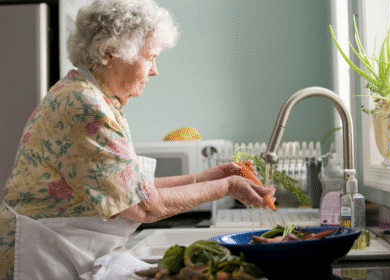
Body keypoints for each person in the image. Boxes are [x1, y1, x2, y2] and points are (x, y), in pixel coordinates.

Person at [0, 0, 275, 278]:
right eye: (150, 57)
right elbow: (141, 206)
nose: (155, 70)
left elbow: (131, 188)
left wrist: (208, 178)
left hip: (58, 248)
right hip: (38, 256)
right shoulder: (86, 106)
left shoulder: (88, 95)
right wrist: (226, 186)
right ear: (110, 52)